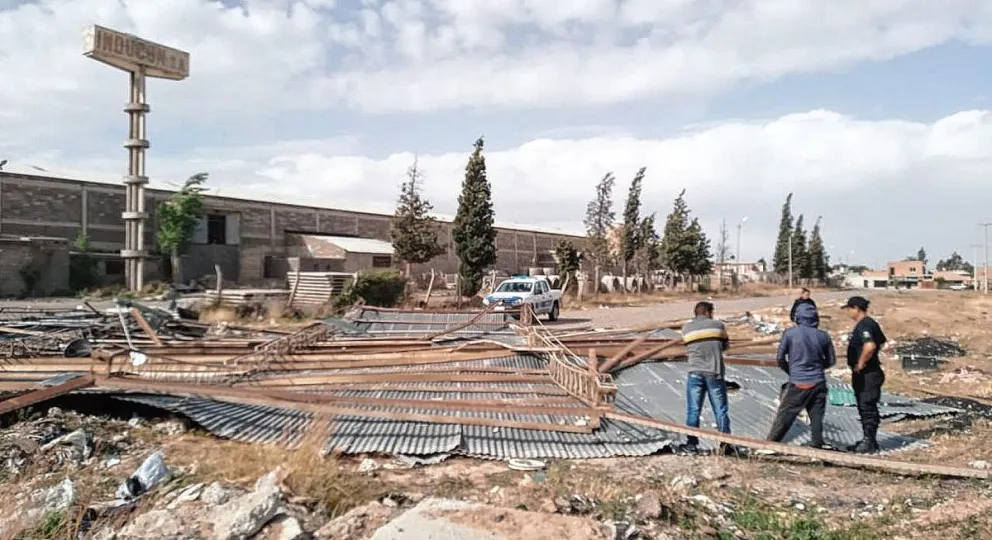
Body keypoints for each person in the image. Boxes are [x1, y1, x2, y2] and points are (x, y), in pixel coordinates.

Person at [766, 303, 836, 449]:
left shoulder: (790, 334)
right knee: (816, 416)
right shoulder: (823, 336)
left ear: (798, 317)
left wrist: (792, 371)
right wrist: (817, 368)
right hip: (819, 382)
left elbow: (780, 358)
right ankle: (817, 445)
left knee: (785, 415)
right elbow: (831, 360)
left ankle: (770, 445)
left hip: (798, 382)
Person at [681, 301, 738, 455]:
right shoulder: (718, 326)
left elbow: (688, 346)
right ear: (708, 312)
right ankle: (725, 445)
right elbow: (725, 346)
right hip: (715, 373)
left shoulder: (686, 328)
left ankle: (691, 444)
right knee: (720, 410)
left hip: (695, 373)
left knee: (693, 410)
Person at [843, 295, 887, 454]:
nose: (848, 312)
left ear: (856, 308)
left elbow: (870, 346)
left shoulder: (865, 325)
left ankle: (869, 441)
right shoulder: (871, 323)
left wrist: (861, 363)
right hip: (870, 372)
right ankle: (868, 439)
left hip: (868, 373)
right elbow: (881, 341)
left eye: (849, 309)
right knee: (864, 405)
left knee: (867, 406)